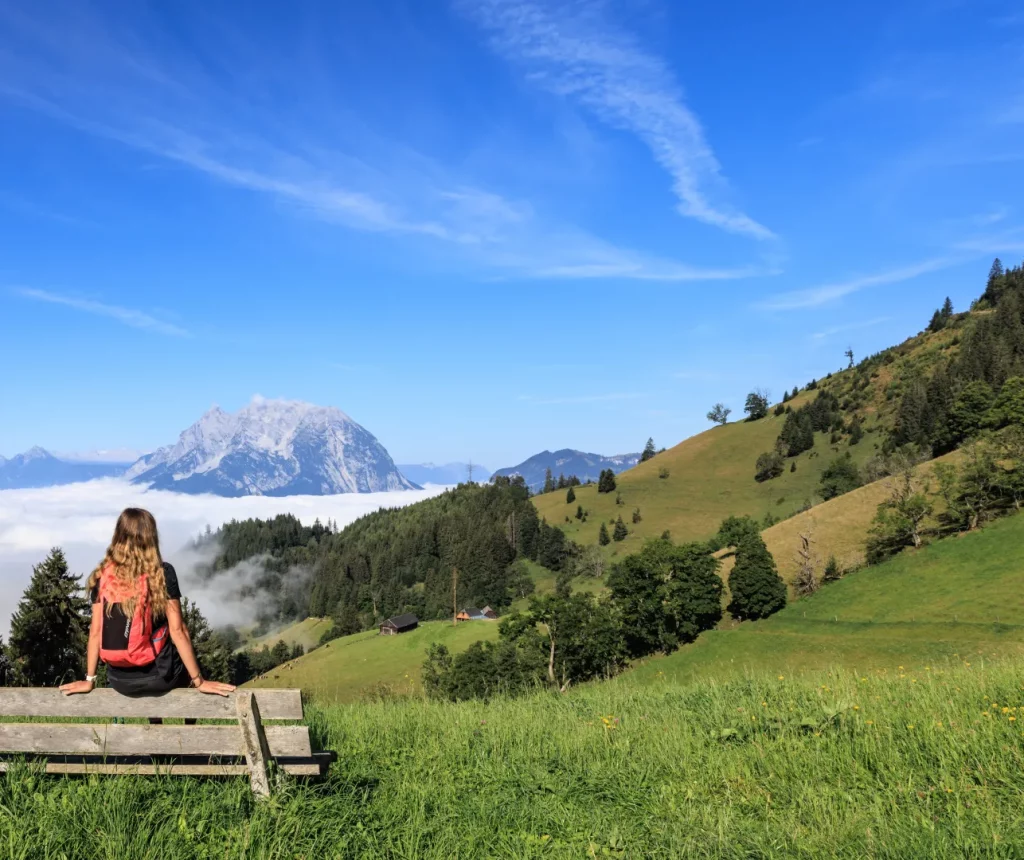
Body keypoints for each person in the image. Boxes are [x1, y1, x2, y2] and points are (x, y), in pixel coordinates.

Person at [59, 507, 235, 699]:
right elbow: (178, 631)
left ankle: (155, 724)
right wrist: (200, 680)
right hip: (160, 677)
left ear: (118, 535)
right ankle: (186, 724)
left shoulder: (102, 576)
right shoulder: (162, 573)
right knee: (183, 668)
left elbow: (95, 632)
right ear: (151, 537)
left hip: (119, 680)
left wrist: (89, 679)